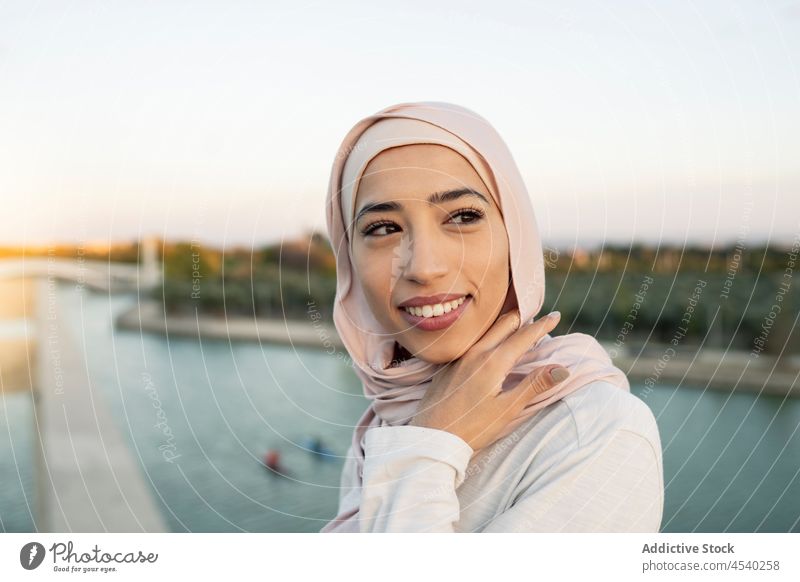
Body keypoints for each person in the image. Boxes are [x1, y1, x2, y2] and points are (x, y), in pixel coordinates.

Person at [320, 101, 664, 533]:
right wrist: (429, 433)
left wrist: (429, 446)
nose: (424, 267)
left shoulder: (595, 432)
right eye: (384, 228)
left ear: (514, 236)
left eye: (463, 217)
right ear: (348, 258)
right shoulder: (388, 417)